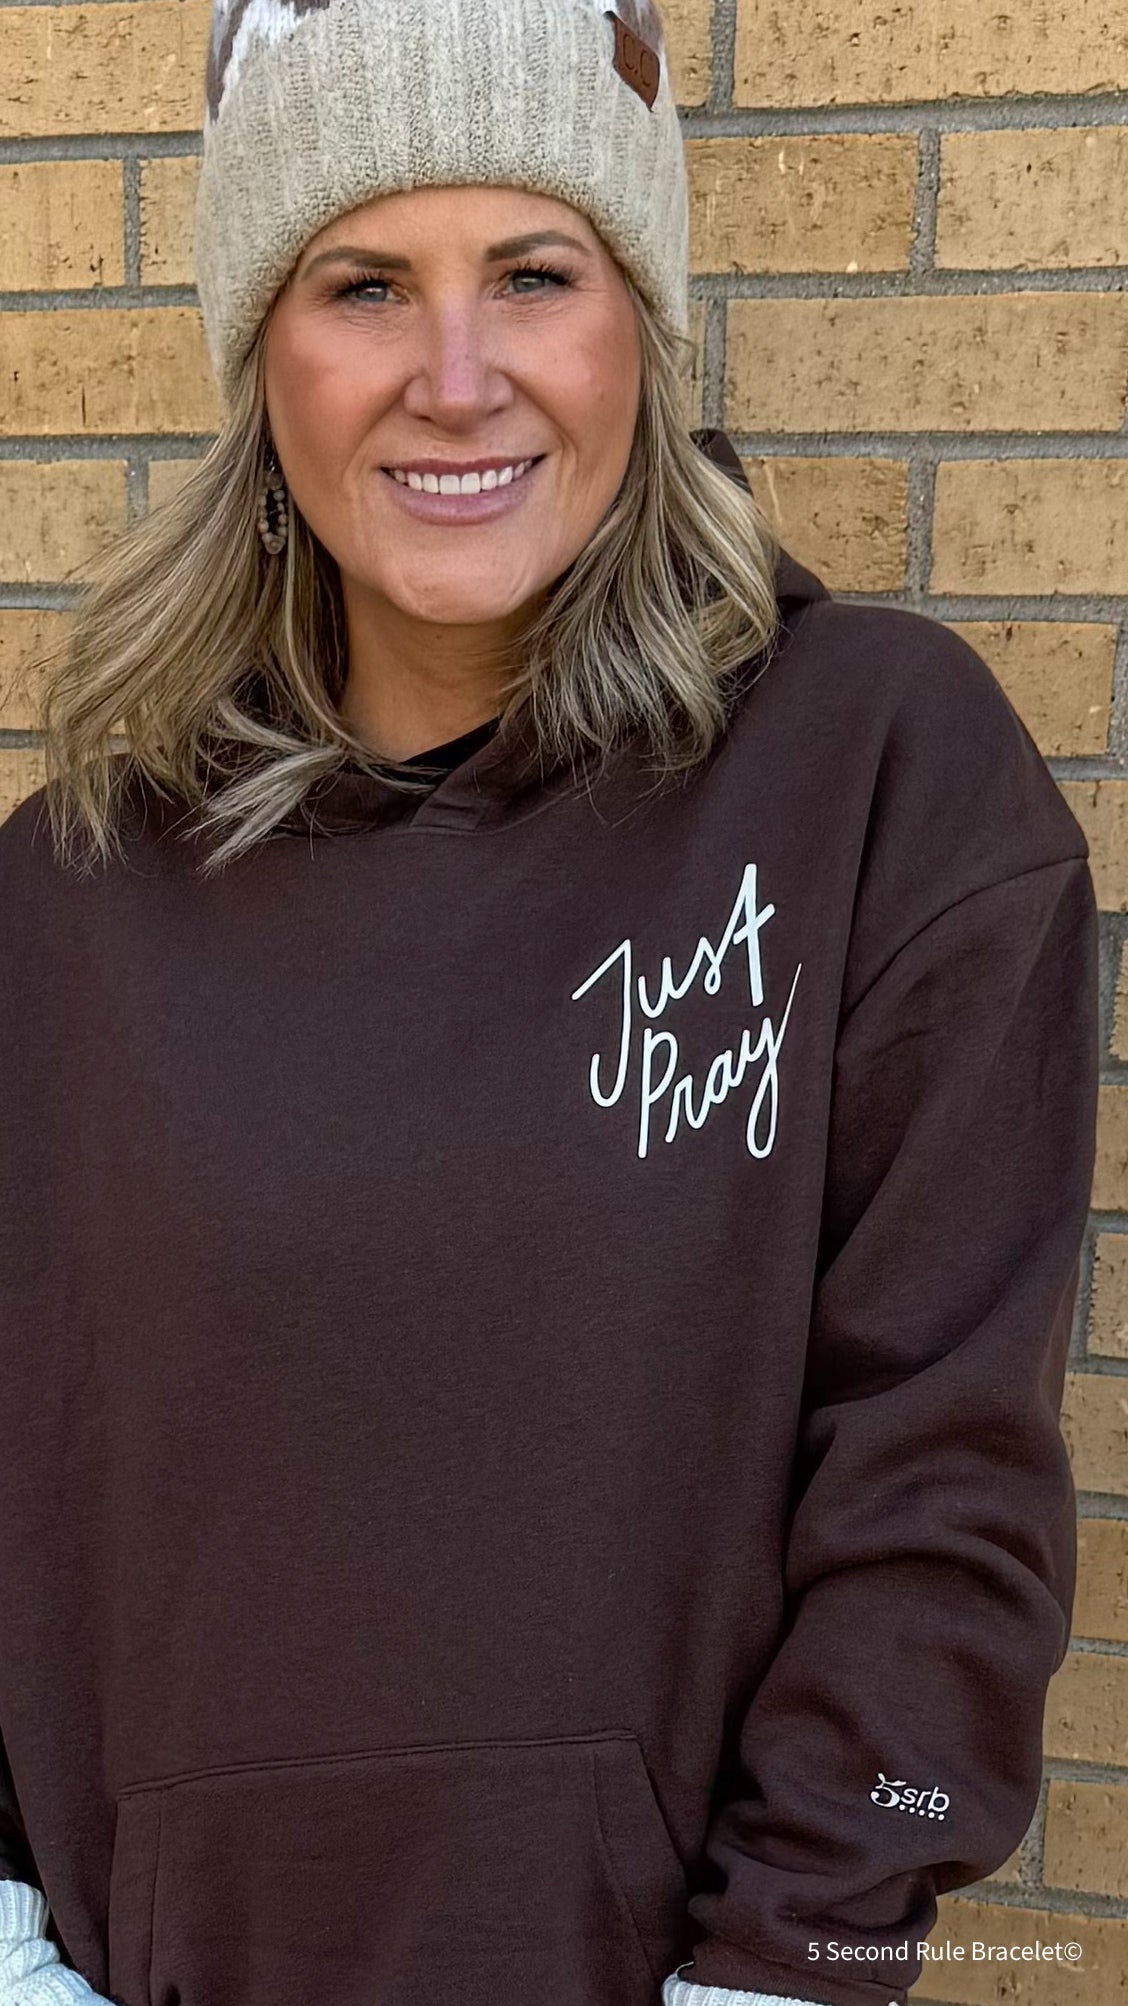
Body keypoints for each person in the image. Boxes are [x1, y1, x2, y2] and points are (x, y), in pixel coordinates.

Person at [0, 2, 1100, 2005]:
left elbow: (940, 1480)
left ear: (637, 325)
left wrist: (791, 1964)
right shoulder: (64, 902)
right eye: (361, 283)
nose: (455, 376)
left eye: (534, 272)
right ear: (263, 352)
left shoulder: (875, 775)